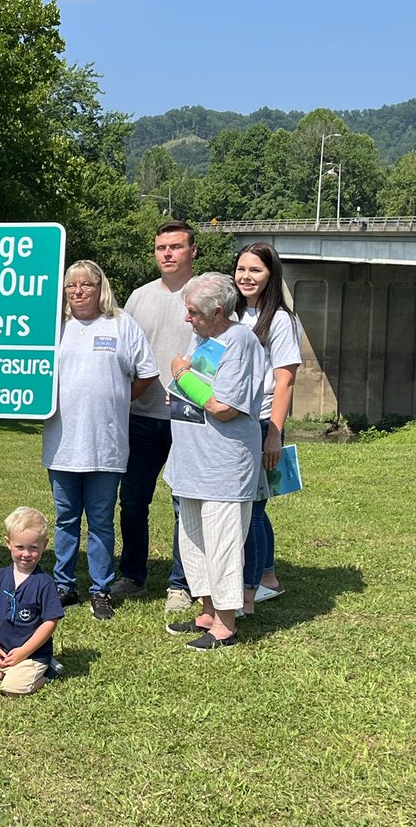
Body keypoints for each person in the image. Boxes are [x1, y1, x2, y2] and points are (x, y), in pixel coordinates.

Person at [42, 260, 157, 620]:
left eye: (86, 285)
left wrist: (117, 397)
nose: (78, 291)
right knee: (65, 519)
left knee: (102, 520)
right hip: (62, 444)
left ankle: (100, 589)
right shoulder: (53, 327)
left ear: (100, 287)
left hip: (106, 443)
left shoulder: (122, 324)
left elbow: (146, 375)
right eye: (71, 286)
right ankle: (64, 586)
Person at [162, 273, 266, 650]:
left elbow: (222, 407)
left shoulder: (240, 340)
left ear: (219, 311)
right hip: (191, 459)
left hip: (222, 463)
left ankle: (225, 625)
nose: (187, 319)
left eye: (193, 312)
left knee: (222, 541)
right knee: (194, 540)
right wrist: (186, 375)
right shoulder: (204, 336)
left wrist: (180, 373)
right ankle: (206, 611)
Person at [113, 220, 198, 612]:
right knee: (132, 502)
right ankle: (132, 575)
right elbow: (122, 352)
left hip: (190, 417)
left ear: (192, 251)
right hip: (142, 417)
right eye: (161, 247)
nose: (167, 254)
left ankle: (182, 583)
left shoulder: (205, 294)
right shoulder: (138, 298)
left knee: (186, 503)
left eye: (176, 247)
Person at [233, 242, 301, 612]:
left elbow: (285, 380)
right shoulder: (232, 312)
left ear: (271, 275)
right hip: (233, 423)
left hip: (261, 424)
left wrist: (273, 433)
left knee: (253, 509)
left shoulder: (280, 321)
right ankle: (269, 575)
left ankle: (254, 585)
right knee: (254, 506)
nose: (246, 276)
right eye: (241, 269)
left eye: (255, 270)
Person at [0, 507, 65, 696]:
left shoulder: (44, 583)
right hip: (2, 648)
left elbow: (50, 622)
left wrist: (23, 652)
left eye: (33, 548)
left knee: (13, 689)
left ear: (44, 545)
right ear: (8, 543)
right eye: (20, 547)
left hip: (32, 653)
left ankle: (49, 672)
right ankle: (7, 669)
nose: (26, 554)